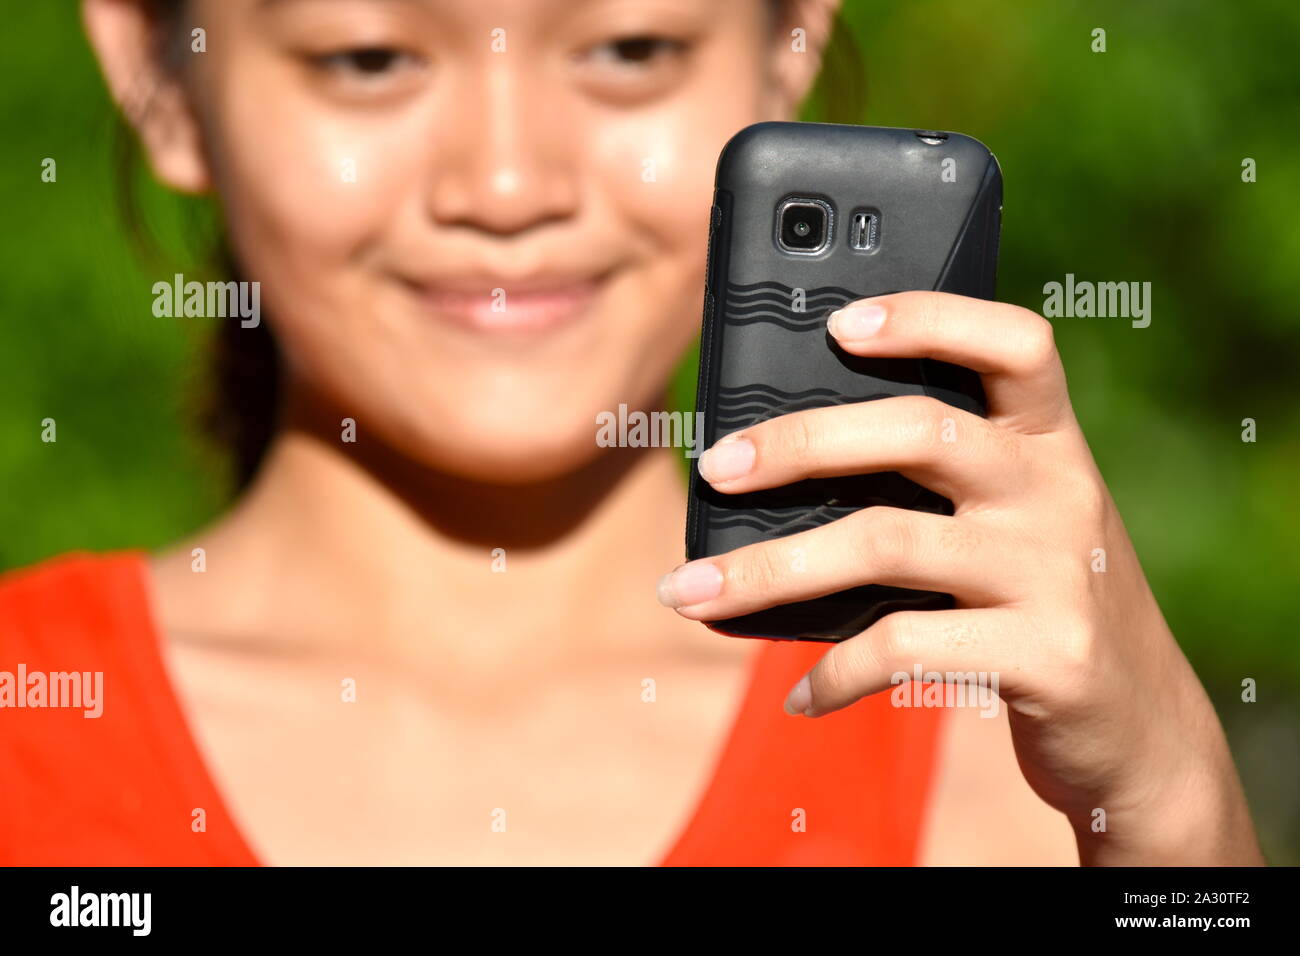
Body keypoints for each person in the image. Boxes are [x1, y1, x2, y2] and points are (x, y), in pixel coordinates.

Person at [0, 0, 1262, 865]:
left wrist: (1181, 821)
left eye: (629, 46)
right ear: (160, 76)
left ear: (792, 43)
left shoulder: (1019, 769)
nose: (506, 185)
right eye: (369, 57)